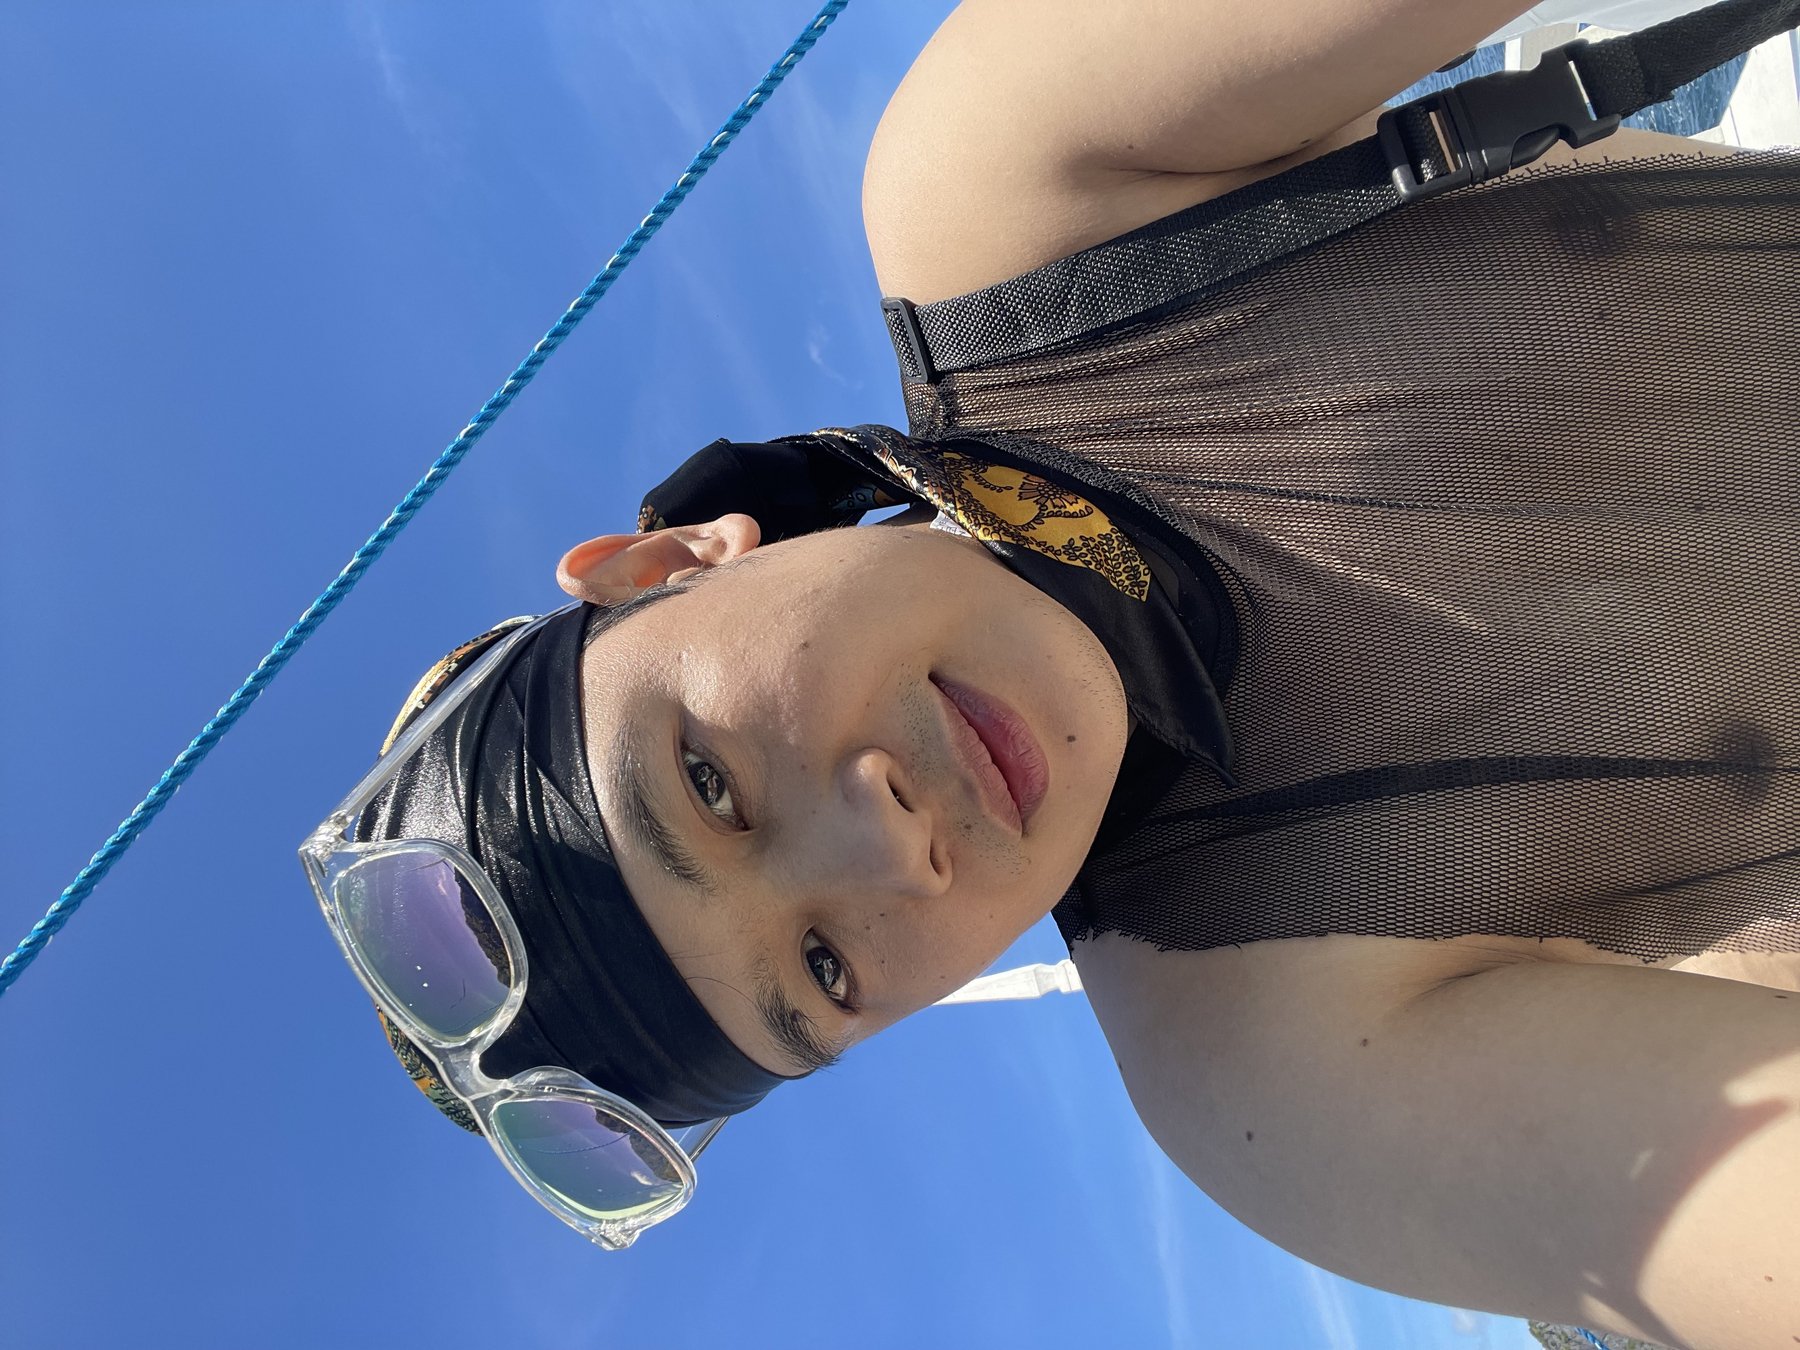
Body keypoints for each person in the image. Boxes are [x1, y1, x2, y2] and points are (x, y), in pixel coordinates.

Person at [304, 2, 1799, 1346]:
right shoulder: (1276, 1065)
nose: (887, 851)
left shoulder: (1034, 222)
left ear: (669, 562)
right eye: (825, 972)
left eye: (709, 785)